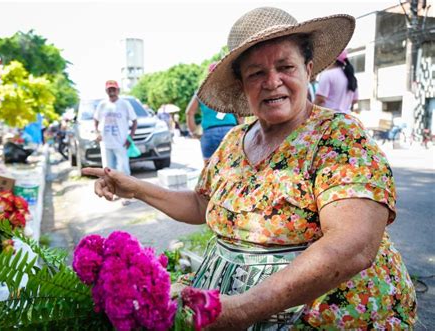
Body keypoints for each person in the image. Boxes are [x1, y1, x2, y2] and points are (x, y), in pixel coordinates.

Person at [83, 7, 416, 329]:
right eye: (256, 72)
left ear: (308, 69)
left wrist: (245, 309)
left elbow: (352, 244)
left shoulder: (339, 137)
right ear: (242, 84)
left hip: (324, 316)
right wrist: (136, 188)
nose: (272, 81)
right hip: (234, 307)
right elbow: (202, 204)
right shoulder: (234, 140)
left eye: (285, 66)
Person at [186, 63, 240, 163]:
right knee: (232, 166)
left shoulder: (201, 91)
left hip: (209, 132)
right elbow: (239, 114)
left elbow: (189, 112)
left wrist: (194, 132)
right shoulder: (229, 90)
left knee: (209, 168)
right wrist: (242, 129)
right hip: (230, 130)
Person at [94, 80, 137, 176]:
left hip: (121, 142)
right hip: (106, 143)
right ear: (106, 91)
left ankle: (126, 190)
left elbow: (134, 121)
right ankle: (112, 190)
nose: (112, 91)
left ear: (118, 90)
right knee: (108, 170)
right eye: (109, 89)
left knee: (123, 170)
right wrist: (97, 133)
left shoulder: (125, 104)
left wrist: (130, 137)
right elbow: (96, 119)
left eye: (114, 89)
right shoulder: (102, 105)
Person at [314, 50, 358, 114]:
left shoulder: (327, 74)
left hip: (330, 119)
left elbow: (320, 99)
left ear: (332, 59)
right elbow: (355, 100)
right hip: (346, 119)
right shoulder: (351, 76)